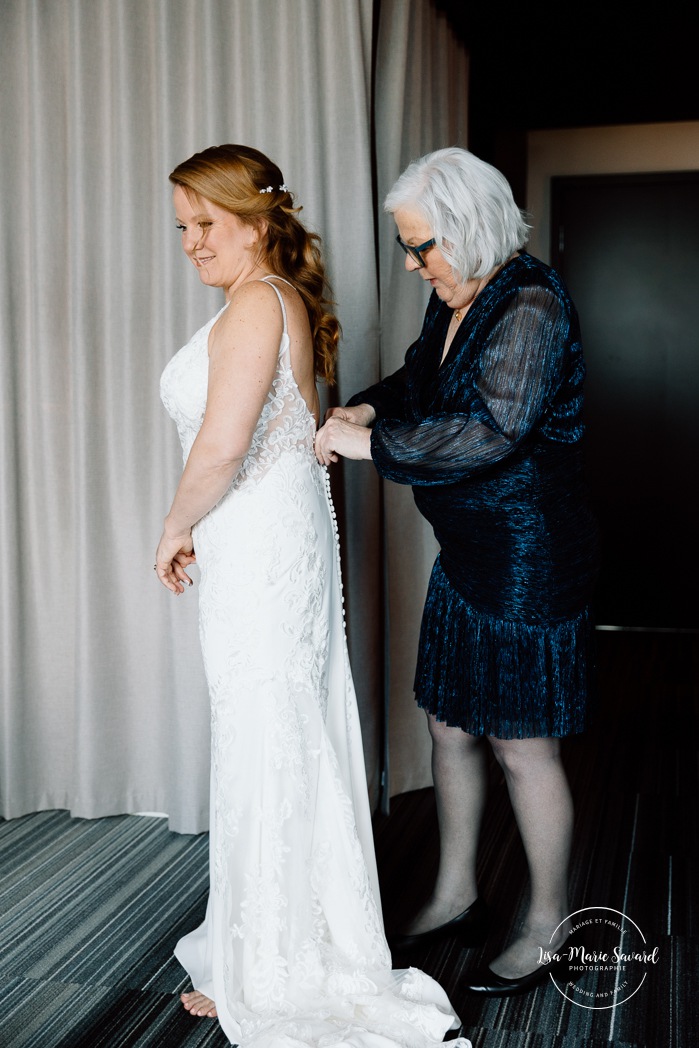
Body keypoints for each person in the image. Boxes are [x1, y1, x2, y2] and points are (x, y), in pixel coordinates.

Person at [156, 145, 471, 1046]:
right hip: (262, 531)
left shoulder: (258, 303)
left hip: (256, 536)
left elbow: (222, 444)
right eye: (181, 226)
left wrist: (173, 525)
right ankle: (266, 941)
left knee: (268, 729)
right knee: (272, 729)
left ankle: (280, 963)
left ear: (256, 224)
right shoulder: (266, 300)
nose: (190, 241)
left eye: (205, 223)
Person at [314, 147, 598, 996]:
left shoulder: (532, 305)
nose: (410, 261)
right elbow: (421, 380)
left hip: (526, 556)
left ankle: (550, 922)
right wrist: (369, 402)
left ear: (470, 232)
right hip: (471, 549)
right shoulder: (456, 295)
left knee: (521, 747)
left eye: (420, 245)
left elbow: (488, 430)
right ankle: (455, 891)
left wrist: (367, 444)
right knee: (448, 727)